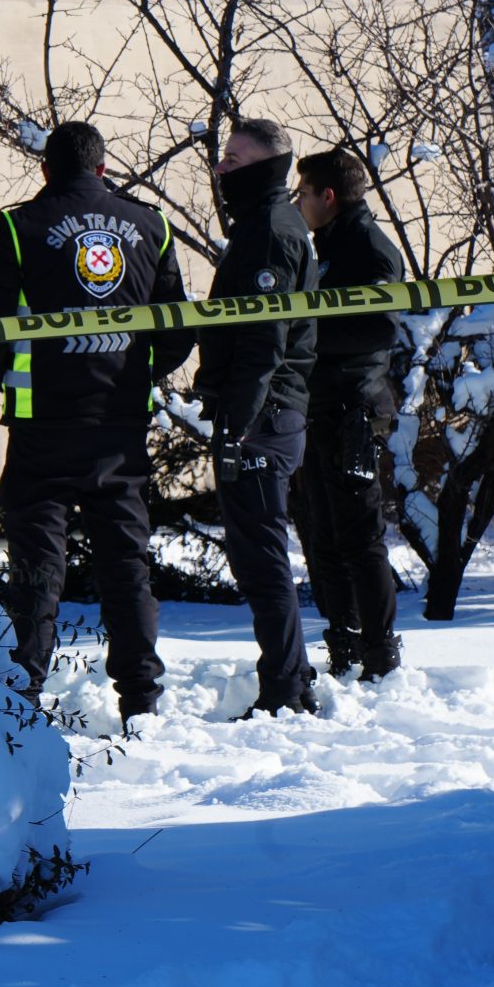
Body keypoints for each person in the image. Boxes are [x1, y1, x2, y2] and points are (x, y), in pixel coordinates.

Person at [0, 122, 193, 720]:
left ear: (45, 169)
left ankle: (25, 694)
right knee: (126, 567)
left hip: (42, 429)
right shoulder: (151, 224)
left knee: (37, 568)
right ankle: (141, 700)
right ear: (101, 168)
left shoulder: (20, 227)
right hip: (119, 429)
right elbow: (177, 330)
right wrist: (138, 376)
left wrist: (7, 386)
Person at [195, 116, 321, 718]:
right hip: (266, 413)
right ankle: (291, 678)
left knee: (263, 560)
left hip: (263, 418)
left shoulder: (270, 230)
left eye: (234, 159)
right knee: (259, 555)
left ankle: (285, 693)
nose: (221, 168)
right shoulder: (264, 223)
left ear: (268, 166)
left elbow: (265, 339)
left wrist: (237, 424)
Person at [291, 148, 407, 682]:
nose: (300, 203)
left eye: (305, 193)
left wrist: (307, 333)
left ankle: (380, 654)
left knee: (359, 536)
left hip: (354, 407)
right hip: (322, 404)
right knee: (322, 535)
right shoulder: (328, 247)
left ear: (328, 197)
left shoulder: (366, 246)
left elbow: (381, 325)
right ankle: (344, 645)